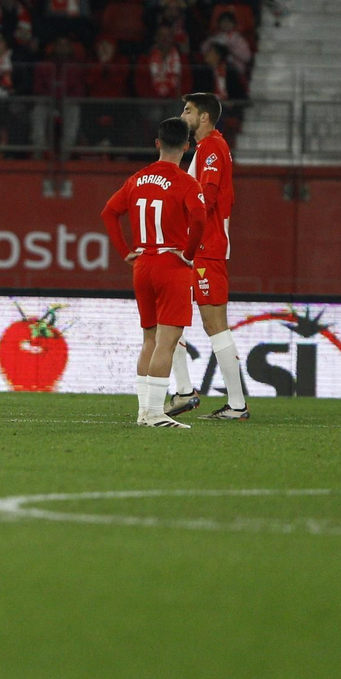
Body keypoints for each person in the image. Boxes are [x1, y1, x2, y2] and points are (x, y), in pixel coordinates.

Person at [100, 117, 209, 428]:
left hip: (143, 264)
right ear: (187, 147)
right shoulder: (187, 182)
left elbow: (109, 213)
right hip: (171, 265)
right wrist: (188, 254)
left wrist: (125, 252)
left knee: (149, 339)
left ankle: (144, 412)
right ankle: (156, 414)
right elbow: (200, 220)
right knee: (167, 342)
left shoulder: (137, 179)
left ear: (158, 143)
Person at [165, 92, 251, 421]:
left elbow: (208, 199)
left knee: (215, 326)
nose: (182, 115)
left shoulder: (213, 147)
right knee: (171, 316)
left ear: (203, 117)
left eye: (187, 110)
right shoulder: (206, 149)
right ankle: (185, 391)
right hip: (197, 248)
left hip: (205, 249)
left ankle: (237, 404)